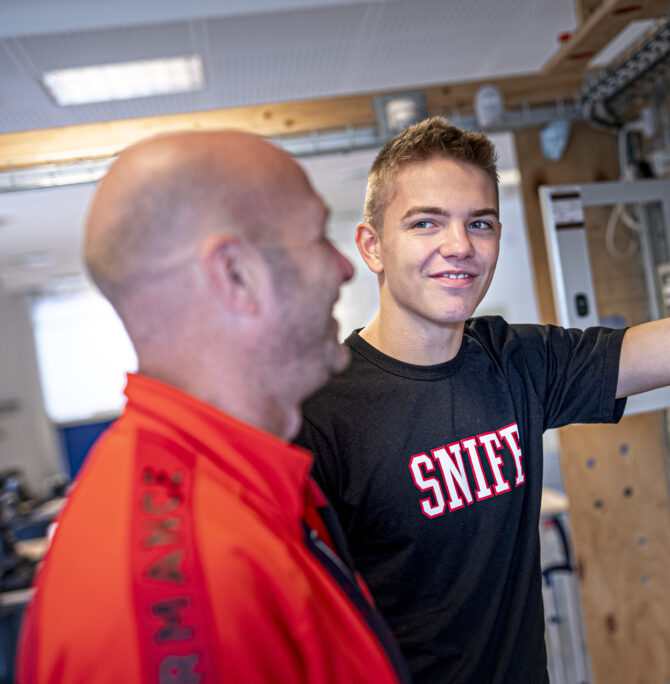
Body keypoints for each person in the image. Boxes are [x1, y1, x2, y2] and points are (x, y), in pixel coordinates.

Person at [296, 34, 670, 682]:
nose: (458, 245)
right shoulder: (322, 413)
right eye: (425, 223)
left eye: (479, 222)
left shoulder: (517, 363)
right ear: (372, 246)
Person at [17, 131, 410, 684]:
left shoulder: (243, 485)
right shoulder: (188, 577)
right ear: (236, 275)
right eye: (318, 236)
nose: (346, 269)